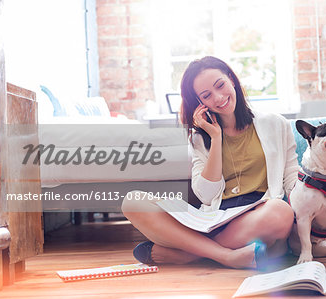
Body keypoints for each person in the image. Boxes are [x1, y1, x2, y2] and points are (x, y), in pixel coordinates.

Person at [122, 56, 299, 269]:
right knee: (132, 201)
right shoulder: (200, 139)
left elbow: (292, 178)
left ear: (232, 80)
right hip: (214, 218)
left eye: (220, 85)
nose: (218, 98)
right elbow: (205, 195)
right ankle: (226, 256)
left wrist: (313, 225)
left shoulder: (275, 123)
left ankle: (189, 254)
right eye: (207, 95)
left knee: (281, 211)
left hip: (257, 214)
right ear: (200, 103)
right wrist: (215, 138)